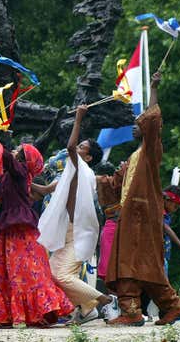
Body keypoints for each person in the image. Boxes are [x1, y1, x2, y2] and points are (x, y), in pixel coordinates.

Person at [0, 115, 73, 326]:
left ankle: (38, 312)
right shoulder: (8, 176)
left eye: (20, 151)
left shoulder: (20, 171)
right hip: (9, 230)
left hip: (21, 229)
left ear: (24, 160)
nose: (16, 150)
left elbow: (5, 157)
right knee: (1, 270)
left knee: (24, 270)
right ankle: (2, 314)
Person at [106, 71, 180, 327]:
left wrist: (153, 88)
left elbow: (154, 119)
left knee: (141, 260)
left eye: (138, 122)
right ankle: (169, 306)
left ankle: (138, 311)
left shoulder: (152, 151)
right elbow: (114, 184)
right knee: (131, 261)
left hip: (144, 217)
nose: (135, 125)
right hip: (131, 217)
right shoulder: (133, 157)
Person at [36, 105, 112, 324]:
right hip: (67, 231)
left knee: (62, 275)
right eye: (79, 146)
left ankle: (102, 299)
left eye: (81, 147)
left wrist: (79, 118)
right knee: (51, 274)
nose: (75, 148)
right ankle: (88, 309)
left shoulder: (82, 169)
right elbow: (43, 190)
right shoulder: (69, 173)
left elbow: (69, 146)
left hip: (80, 232)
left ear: (87, 158)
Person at [162, 185, 180, 276]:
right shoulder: (158, 212)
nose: (175, 210)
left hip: (163, 256)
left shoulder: (166, 214)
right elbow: (165, 228)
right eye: (175, 207)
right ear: (167, 200)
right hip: (157, 258)